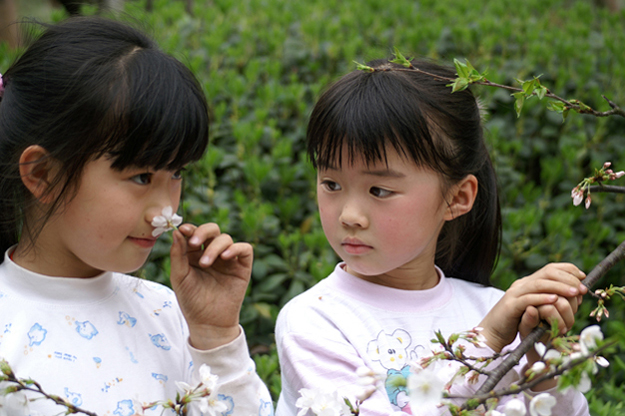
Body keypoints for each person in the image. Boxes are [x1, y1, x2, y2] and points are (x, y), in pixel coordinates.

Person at [275, 58, 590, 415]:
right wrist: (484, 342)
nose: (350, 215)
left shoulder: (493, 310)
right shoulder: (313, 321)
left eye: (379, 190)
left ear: (456, 198)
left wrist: (543, 360)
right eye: (331, 184)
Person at [0, 17, 272, 415]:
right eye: (141, 176)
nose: (167, 210)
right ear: (43, 174)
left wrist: (216, 337)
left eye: (177, 173)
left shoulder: (167, 314)